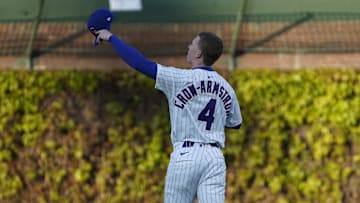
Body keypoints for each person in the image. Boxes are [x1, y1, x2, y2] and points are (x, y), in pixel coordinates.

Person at [88, 9, 242, 203]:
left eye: (192, 44)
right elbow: (235, 123)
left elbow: (140, 64)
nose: (188, 46)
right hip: (214, 157)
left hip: (186, 155)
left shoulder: (179, 79)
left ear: (198, 53)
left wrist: (111, 37)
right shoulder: (226, 87)